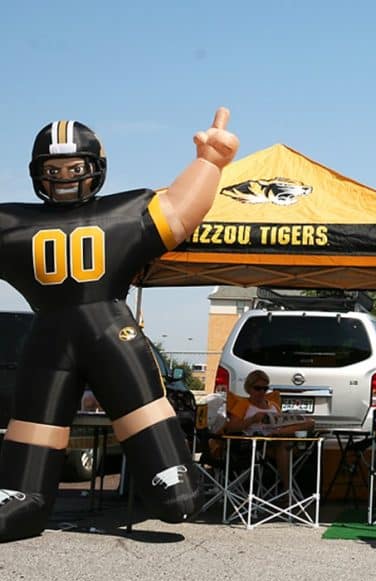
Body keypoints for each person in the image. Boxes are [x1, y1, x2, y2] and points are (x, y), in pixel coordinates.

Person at [0, 108, 239, 542]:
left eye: (74, 168)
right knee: (35, 415)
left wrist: (209, 164)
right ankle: (23, 493)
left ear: (95, 169)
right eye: (54, 170)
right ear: (37, 173)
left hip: (109, 331)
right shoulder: (12, 223)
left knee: (141, 407)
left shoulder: (122, 212)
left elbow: (180, 211)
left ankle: (169, 471)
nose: (64, 177)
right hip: (51, 338)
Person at [226, 370, 314, 492]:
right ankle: (287, 490)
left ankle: (280, 435)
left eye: (265, 389)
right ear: (249, 388)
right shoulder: (243, 404)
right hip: (259, 445)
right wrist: (252, 419)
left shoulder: (272, 405)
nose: (261, 392)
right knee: (283, 446)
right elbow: (231, 427)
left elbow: (281, 422)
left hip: (279, 435)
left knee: (310, 423)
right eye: (258, 388)